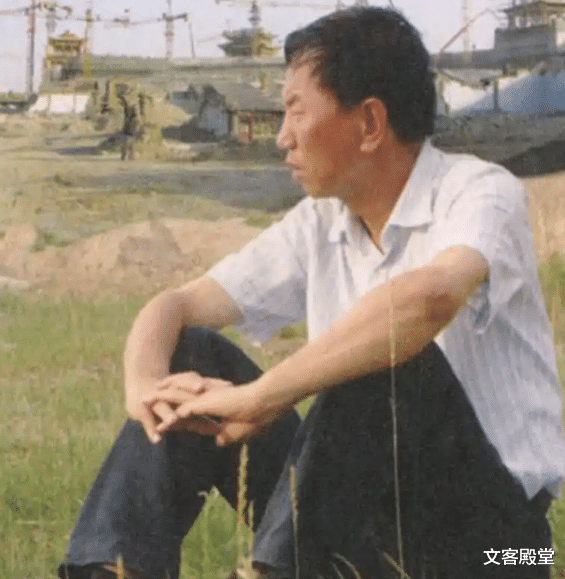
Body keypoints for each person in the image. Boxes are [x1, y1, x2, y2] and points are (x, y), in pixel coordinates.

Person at [58, 7, 565, 579]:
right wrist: (145, 389)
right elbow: (173, 306)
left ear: (369, 123)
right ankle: (112, 572)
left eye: (296, 111)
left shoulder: (481, 191)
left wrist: (262, 397)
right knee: (192, 350)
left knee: (381, 357)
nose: (282, 137)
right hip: (357, 522)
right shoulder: (319, 223)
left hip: (500, 551)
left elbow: (427, 301)